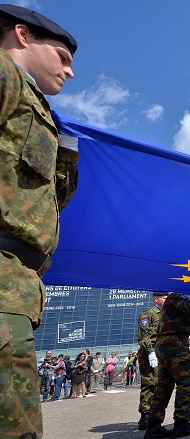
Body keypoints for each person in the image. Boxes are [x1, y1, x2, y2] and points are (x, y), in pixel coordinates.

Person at [0, 5, 79, 437]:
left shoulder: (38, 108)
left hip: (17, 284)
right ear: (23, 36)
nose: (69, 72)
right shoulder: (6, 77)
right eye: (63, 58)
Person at [144, 292, 190, 438]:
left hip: (165, 344)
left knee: (164, 386)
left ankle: (153, 426)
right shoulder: (177, 296)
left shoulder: (172, 298)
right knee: (185, 382)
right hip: (174, 343)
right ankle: (181, 424)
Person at [136, 292, 168, 430]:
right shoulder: (147, 314)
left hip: (161, 353)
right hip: (149, 354)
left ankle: (153, 415)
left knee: (160, 384)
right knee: (150, 384)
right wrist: (150, 352)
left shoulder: (167, 314)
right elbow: (144, 336)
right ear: (156, 299)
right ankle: (145, 416)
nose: (167, 300)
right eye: (164, 298)